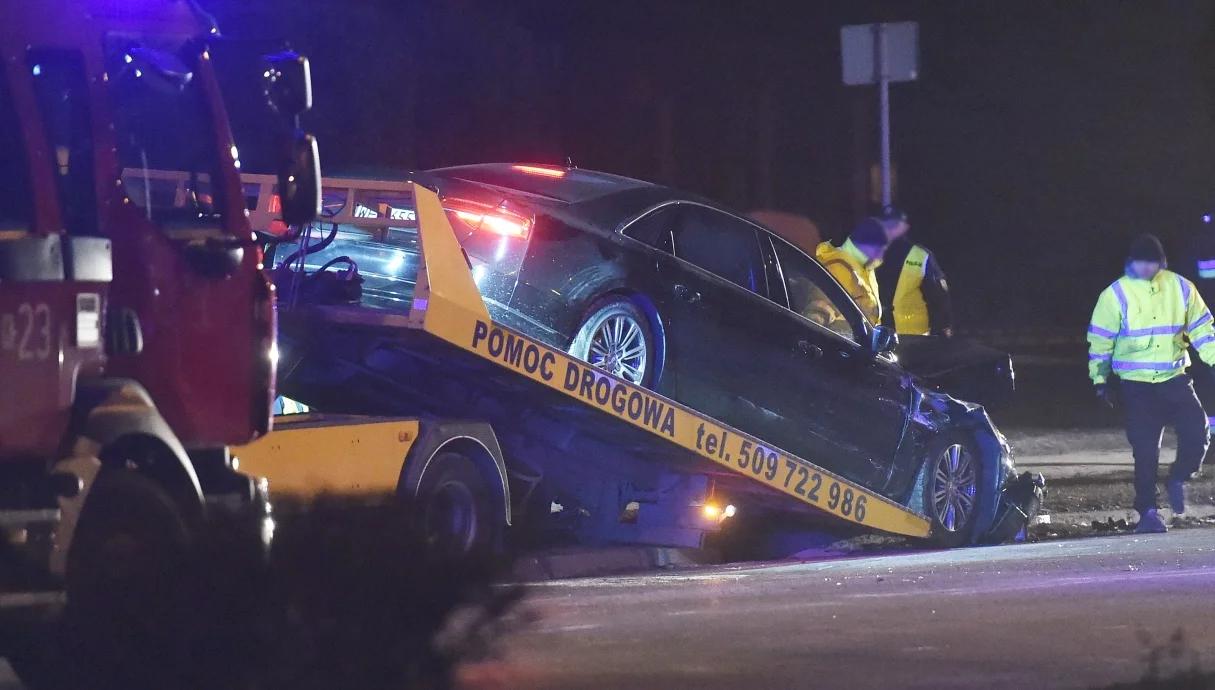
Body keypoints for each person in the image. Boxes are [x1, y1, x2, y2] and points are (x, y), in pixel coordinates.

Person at [1087, 234, 1215, 533]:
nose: (1147, 268)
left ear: (1162, 261)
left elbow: (1203, 330)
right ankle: (1147, 511)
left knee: (1198, 433)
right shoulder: (1115, 295)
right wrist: (1100, 379)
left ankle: (1178, 477)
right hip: (1137, 386)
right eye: (1141, 262)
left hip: (1174, 378)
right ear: (1131, 262)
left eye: (1152, 262)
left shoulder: (1181, 288)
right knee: (1145, 452)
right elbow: (1100, 341)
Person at [875, 206, 954, 337]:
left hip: (912, 336)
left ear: (905, 227)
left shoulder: (921, 256)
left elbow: (939, 296)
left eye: (894, 224)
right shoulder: (868, 252)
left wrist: (943, 327)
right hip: (877, 335)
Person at [815, 217, 887, 325]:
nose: (881, 255)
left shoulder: (864, 268)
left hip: (863, 338)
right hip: (846, 339)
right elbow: (821, 313)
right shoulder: (837, 268)